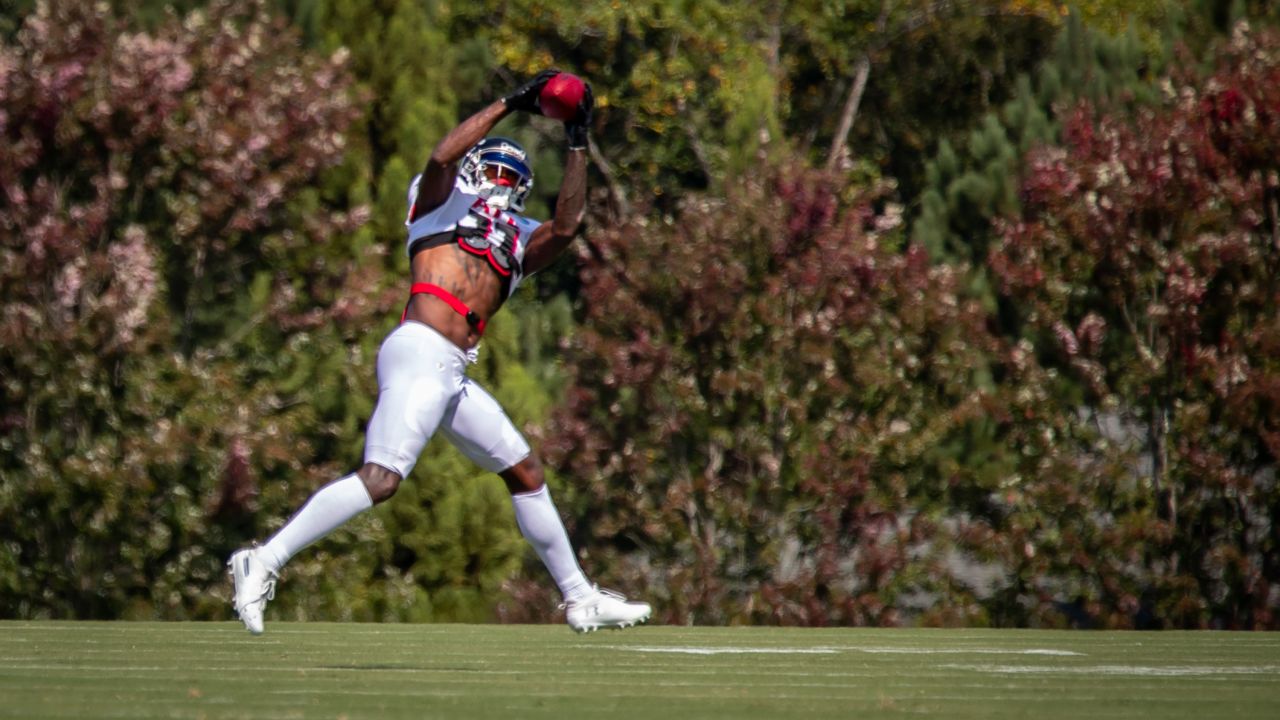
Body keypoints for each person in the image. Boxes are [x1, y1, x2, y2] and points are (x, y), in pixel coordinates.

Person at [228, 70, 651, 635]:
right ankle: (266, 559)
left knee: (525, 471)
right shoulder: (437, 205)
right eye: (493, 168)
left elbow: (568, 226)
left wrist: (577, 139)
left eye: (512, 175)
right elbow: (441, 155)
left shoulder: (520, 237)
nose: (501, 181)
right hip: (421, 348)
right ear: (474, 172)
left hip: (452, 369)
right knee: (381, 479)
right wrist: (512, 102)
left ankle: (579, 596)